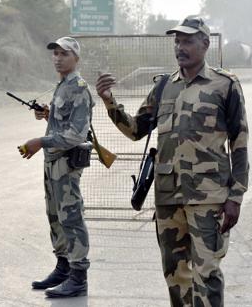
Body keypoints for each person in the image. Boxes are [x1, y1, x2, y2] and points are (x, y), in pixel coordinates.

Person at [96, 16, 249, 307]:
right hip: (168, 197)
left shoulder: (224, 85)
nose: (180, 46)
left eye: (188, 40)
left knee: (207, 274)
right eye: (177, 41)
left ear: (204, 44)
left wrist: (236, 196)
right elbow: (135, 130)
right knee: (175, 275)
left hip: (209, 198)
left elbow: (239, 144)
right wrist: (109, 101)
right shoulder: (164, 86)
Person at [19, 36, 94, 298]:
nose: (58, 58)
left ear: (76, 58)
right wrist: (48, 116)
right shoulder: (62, 86)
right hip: (53, 161)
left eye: (64, 54)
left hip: (66, 163)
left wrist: (40, 140)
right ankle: (63, 267)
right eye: (55, 54)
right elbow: (63, 124)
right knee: (55, 216)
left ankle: (78, 276)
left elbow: (76, 134)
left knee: (71, 216)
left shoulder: (79, 87)